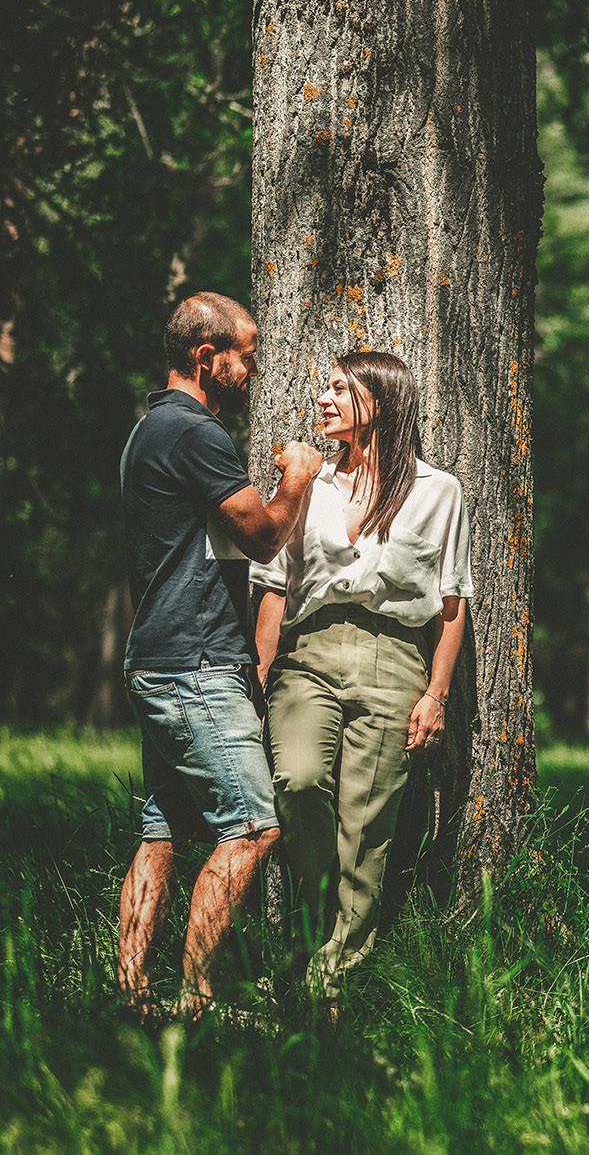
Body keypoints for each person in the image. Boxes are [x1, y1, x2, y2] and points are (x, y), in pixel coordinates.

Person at [118, 292, 324, 1019]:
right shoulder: (195, 432)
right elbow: (265, 535)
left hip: (158, 656)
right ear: (206, 357)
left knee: (161, 830)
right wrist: (297, 474)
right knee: (253, 825)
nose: (254, 367)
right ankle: (195, 999)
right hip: (196, 662)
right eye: (246, 353)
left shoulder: (148, 430)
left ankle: (133, 995)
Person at [253, 349, 471, 1000]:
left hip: (396, 656)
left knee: (367, 822)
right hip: (309, 653)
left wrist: (436, 694)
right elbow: (270, 587)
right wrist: (259, 677)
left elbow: (453, 604)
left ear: (381, 401)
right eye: (326, 385)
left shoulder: (439, 492)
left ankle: (330, 982)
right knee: (297, 780)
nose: (324, 397)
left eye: (341, 389)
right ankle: (316, 919)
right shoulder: (305, 487)